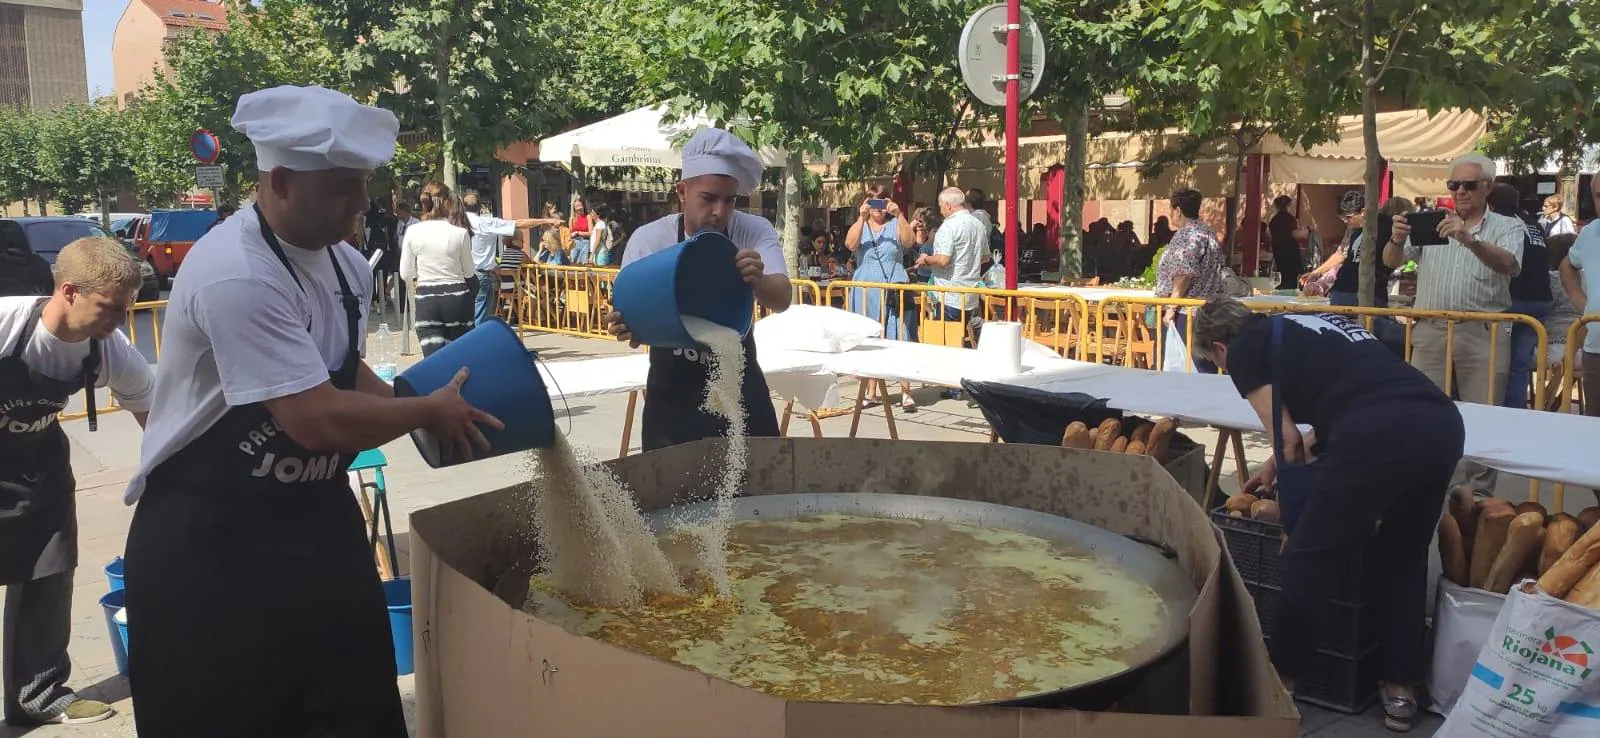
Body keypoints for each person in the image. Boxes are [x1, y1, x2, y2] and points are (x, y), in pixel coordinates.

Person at [122, 85, 502, 736]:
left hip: (316, 532)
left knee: (351, 711)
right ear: (279, 181)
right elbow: (313, 418)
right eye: (340, 188)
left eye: (360, 184)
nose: (360, 204)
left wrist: (423, 405)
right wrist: (424, 414)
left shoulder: (346, 265)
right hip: (210, 550)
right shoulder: (235, 272)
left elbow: (340, 367)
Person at [1193, 298, 1461, 733]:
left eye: (1217, 363)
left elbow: (1288, 438)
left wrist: (1293, 521)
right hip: (1439, 425)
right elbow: (1345, 397)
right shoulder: (1311, 322)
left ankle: (1279, 689)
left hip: (1375, 434)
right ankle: (1400, 689)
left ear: (1220, 348)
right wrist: (1274, 467)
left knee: (1308, 559)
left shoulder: (1245, 349)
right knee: (1404, 558)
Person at [2, 237, 154, 727]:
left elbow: (154, 416)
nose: (118, 319)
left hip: (39, 467)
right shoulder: (8, 323)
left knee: (49, 574)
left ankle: (39, 697)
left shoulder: (109, 349)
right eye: (110, 308)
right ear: (68, 291)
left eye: (126, 308)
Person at [605, 128, 791, 451]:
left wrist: (759, 280)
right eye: (709, 198)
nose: (720, 211)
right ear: (682, 191)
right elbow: (630, 313)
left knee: (759, 498)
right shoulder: (650, 240)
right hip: (673, 406)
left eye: (730, 200)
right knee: (672, 500)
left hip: (740, 396)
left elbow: (783, 298)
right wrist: (626, 325)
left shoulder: (753, 231)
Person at [1386, 153, 1523, 492]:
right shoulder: (1433, 222)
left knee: (1483, 415)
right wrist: (1396, 239)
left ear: (1488, 187)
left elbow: (1509, 265)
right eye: (1454, 184)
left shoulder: (1508, 226)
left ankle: (1475, 496)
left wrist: (1470, 240)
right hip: (1431, 328)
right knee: (1423, 410)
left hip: (1483, 331)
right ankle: (1424, 484)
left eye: (1468, 185)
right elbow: (1392, 262)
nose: (1460, 192)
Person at [1488, 183, 1551, 409]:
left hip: (1511, 298)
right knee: (1519, 364)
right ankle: (1516, 410)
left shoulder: (1498, 222)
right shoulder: (1533, 223)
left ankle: (1498, 410)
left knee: (1497, 362)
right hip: (1540, 300)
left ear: (1490, 202)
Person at [1154, 188, 1228, 372]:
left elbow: (1183, 273)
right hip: (1206, 310)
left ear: (1178, 210)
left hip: (1186, 313)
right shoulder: (1207, 232)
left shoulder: (1187, 234)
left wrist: (1171, 307)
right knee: (1201, 367)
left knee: (1186, 367)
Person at [402, 182, 478, 356]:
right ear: (447, 202)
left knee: (433, 360)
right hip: (457, 298)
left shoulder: (413, 231)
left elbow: (406, 272)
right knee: (461, 358)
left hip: (426, 298)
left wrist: (417, 281)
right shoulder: (459, 233)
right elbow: (468, 272)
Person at [462, 191, 549, 326]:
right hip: (481, 273)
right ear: (480, 207)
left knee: (466, 313)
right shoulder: (484, 222)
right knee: (480, 313)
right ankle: (476, 343)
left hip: (462, 274)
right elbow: (519, 223)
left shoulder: (455, 223)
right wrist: (545, 220)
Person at [1560, 183, 1600, 418]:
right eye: (1599, 194)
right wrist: (1585, 307)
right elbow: (1567, 266)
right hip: (1596, 351)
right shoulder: (1590, 232)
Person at [1268, 195, 1302, 289]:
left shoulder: (1273, 220)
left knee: (1282, 277)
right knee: (1292, 278)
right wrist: (1307, 231)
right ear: (1289, 205)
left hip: (1278, 250)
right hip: (1291, 251)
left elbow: (1270, 236)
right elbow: (1295, 234)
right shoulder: (1291, 219)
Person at [569, 198, 594, 265]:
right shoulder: (572, 218)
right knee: (572, 262)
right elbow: (569, 233)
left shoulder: (588, 217)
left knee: (584, 263)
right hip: (574, 242)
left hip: (585, 242)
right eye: (576, 206)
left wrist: (578, 233)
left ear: (583, 206)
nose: (578, 208)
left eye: (580, 205)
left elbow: (591, 233)